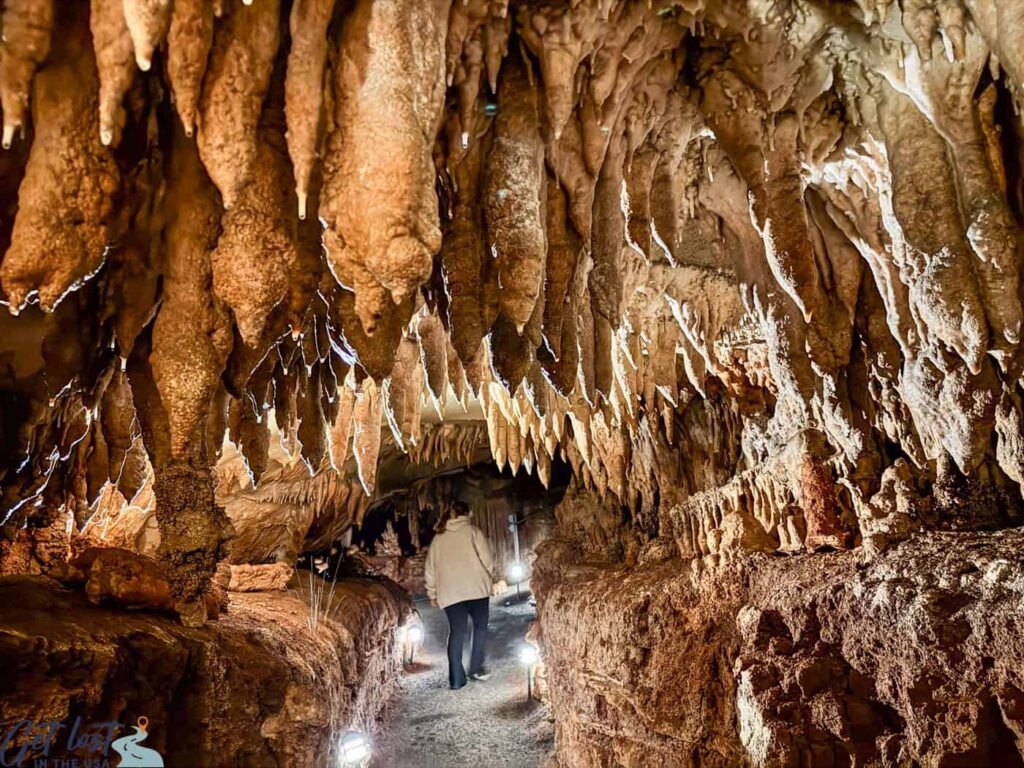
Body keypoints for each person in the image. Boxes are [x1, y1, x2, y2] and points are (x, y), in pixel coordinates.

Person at [424, 501, 495, 689]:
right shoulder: (473, 531)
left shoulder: (438, 539)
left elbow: (430, 569)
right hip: (477, 589)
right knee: (480, 627)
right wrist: (493, 577)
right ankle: (476, 669)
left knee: (457, 632)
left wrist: (432, 593)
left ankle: (456, 679)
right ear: (467, 513)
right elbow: (487, 559)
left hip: (451, 594)